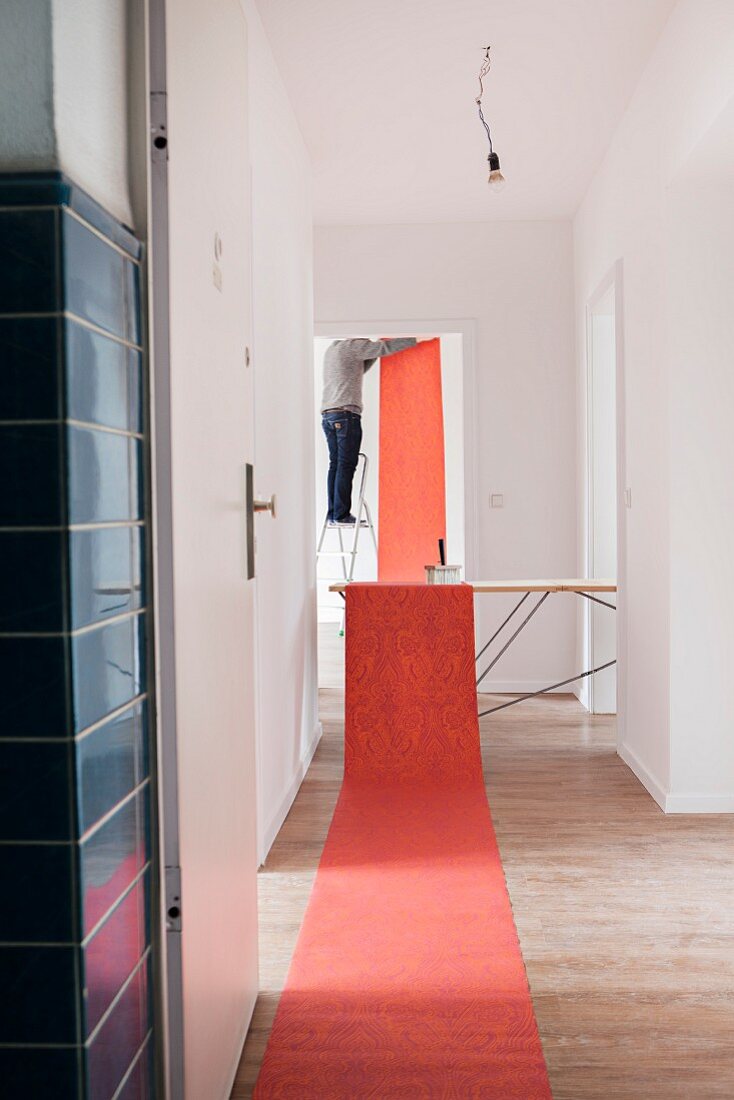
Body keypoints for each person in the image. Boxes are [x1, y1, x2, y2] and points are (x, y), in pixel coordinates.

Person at [320, 337, 421, 526]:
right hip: (346, 415)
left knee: (336, 465)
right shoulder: (353, 345)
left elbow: (359, 369)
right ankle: (341, 515)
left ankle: (334, 514)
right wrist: (416, 340)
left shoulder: (334, 349)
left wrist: (374, 351)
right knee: (345, 465)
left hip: (329, 415)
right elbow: (385, 348)